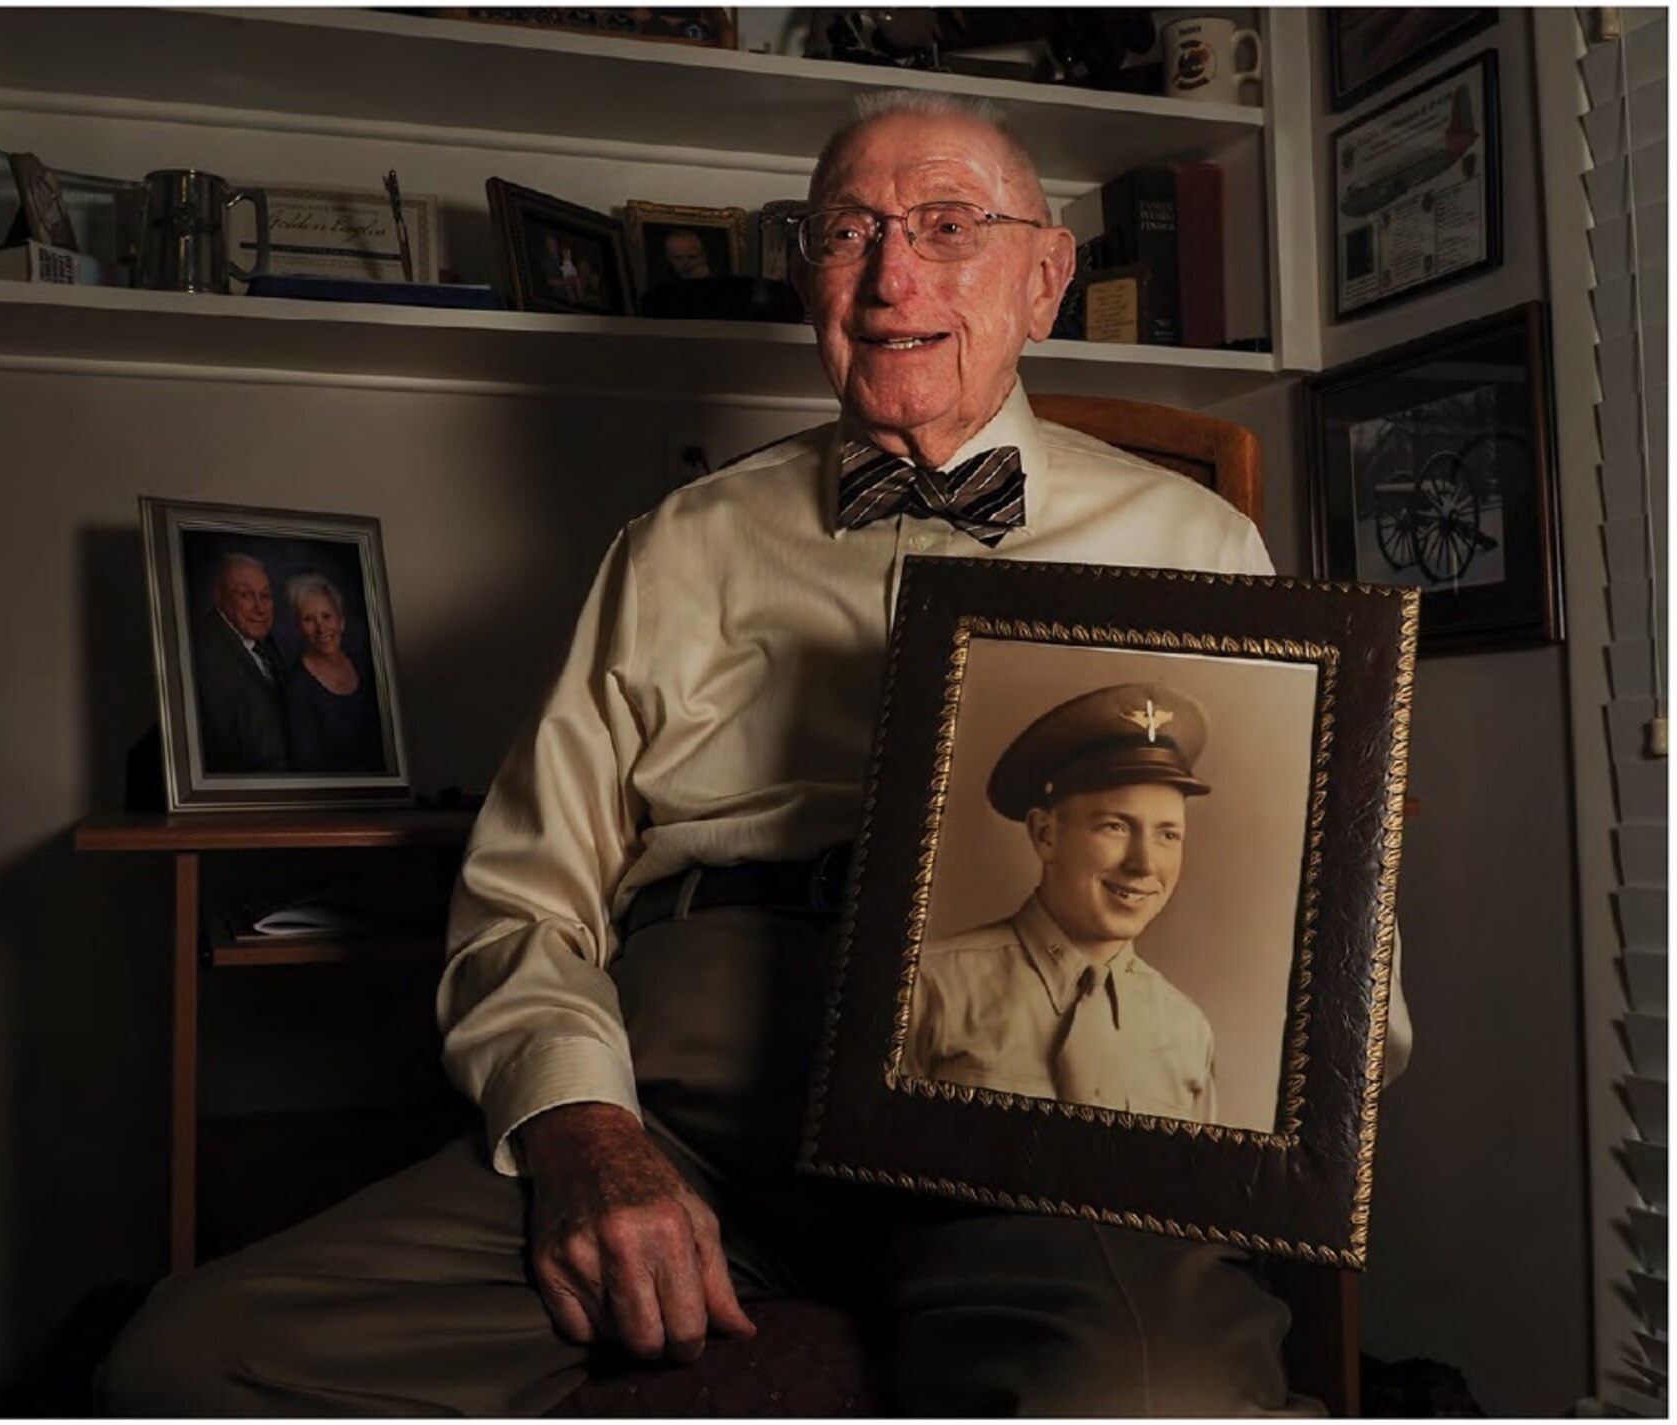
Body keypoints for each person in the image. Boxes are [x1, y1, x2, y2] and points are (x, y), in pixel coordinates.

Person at [104, 89, 1414, 1415]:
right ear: (808, 278)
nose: (892, 275)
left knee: (1149, 1398)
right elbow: (525, 894)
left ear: (1044, 278)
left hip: (1033, 1116)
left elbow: (1317, 951)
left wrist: (1234, 1097)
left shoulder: (1193, 545)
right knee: (187, 1362)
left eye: (948, 226)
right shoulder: (680, 544)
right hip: (691, 1096)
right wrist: (585, 1127)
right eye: (847, 233)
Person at [902, 681, 1220, 1125]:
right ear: (1045, 835)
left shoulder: (1189, 1033)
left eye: (1168, 834)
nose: (1145, 864)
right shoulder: (929, 989)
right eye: (1115, 826)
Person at [190, 551, 288, 774]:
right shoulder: (205, 653)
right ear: (219, 596)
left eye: (265, 596)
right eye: (246, 595)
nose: (260, 608)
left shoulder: (261, 640)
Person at [281, 571, 383, 774]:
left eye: (327, 616)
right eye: (308, 619)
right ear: (299, 628)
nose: (321, 628)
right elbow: (308, 767)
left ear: (341, 621)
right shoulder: (297, 687)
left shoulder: (366, 665)